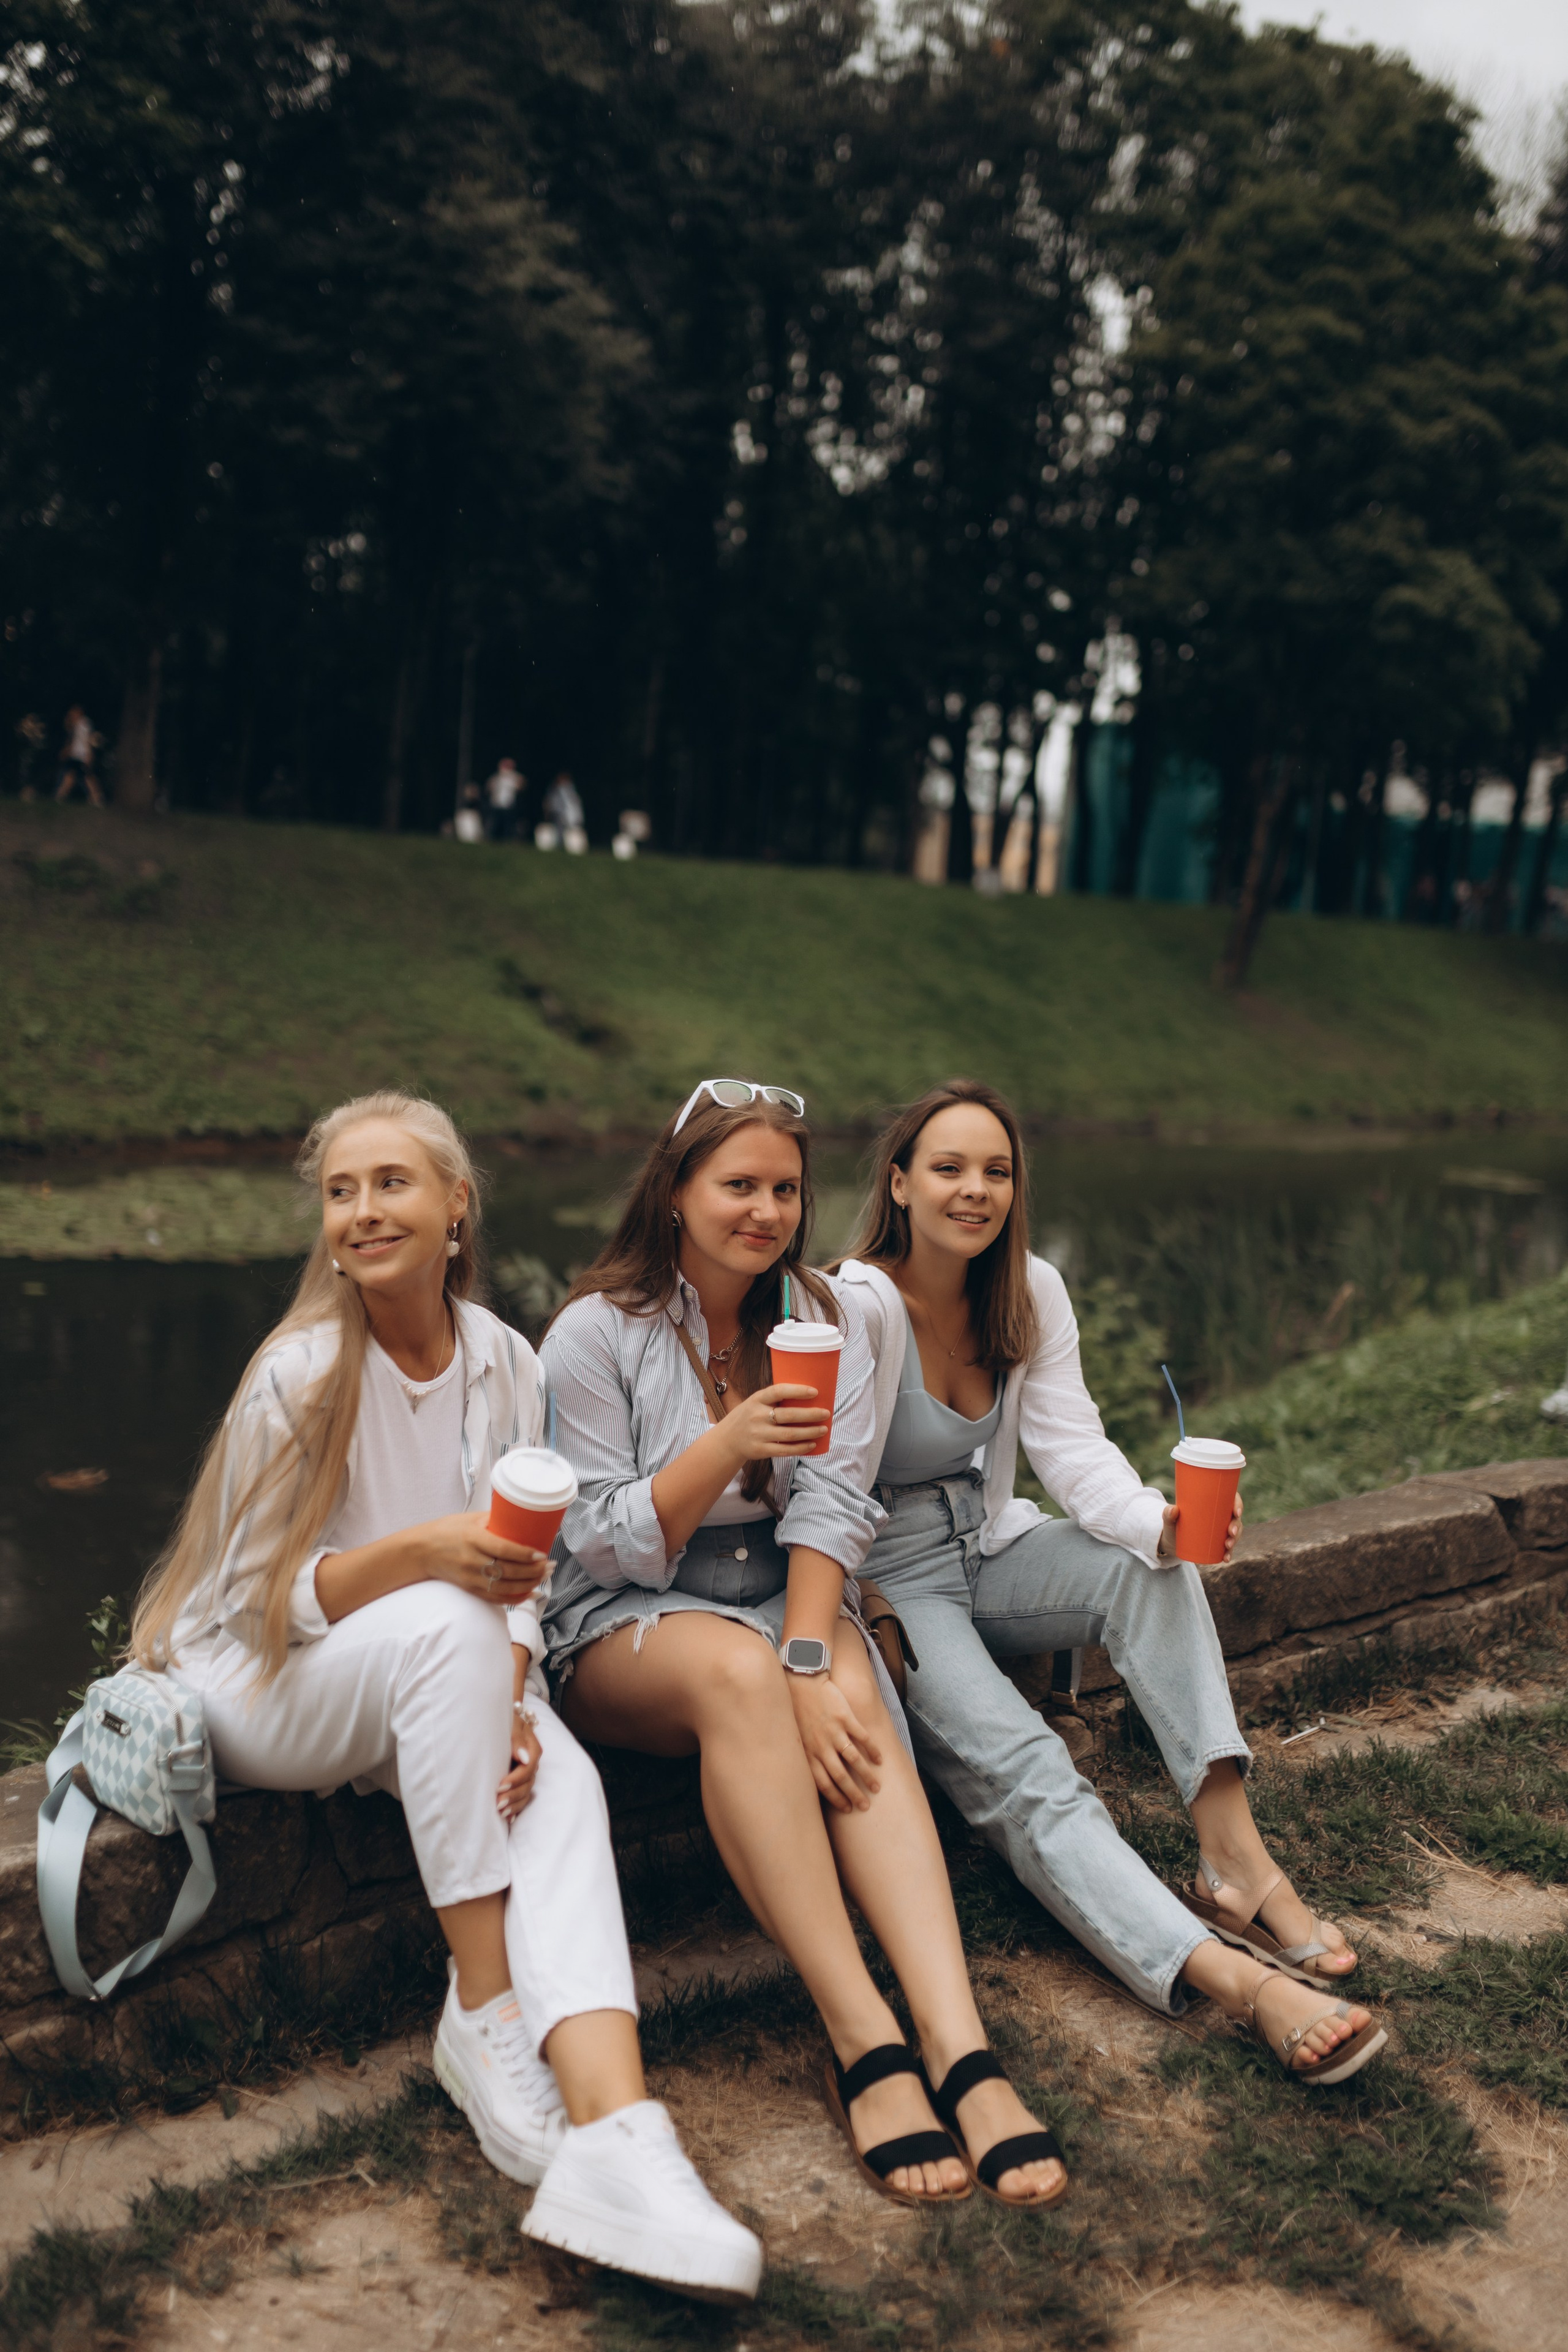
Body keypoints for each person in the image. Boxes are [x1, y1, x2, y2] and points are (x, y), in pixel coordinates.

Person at [130, 1090, 761, 2302]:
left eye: (392, 1184)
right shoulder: (301, 1373)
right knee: (437, 1617)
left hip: (427, 1678)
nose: (365, 1212)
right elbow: (254, 1603)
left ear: (455, 1202)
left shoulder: (503, 1361)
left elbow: (516, 1581)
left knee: (559, 1774)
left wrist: (516, 1702)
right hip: (266, 1685)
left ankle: (619, 2131)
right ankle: (481, 2013)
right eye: (342, 1192)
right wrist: (423, 1556)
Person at [540, 1080, 1067, 2211]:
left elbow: (834, 1506)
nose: (767, 1211)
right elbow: (601, 1541)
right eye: (737, 1185)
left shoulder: (822, 1318)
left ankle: (961, 2051)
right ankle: (863, 2039)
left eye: (784, 1188)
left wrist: (816, 1657)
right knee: (739, 1674)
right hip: (621, 1619)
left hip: (782, 1596)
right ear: (676, 1193)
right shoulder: (596, 1332)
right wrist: (726, 1443)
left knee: (852, 1698)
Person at [826, 1080, 1387, 2087]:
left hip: (987, 1541)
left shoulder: (1029, 1288)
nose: (975, 1190)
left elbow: (1070, 1448)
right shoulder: (859, 1304)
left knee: (1150, 1576)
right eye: (948, 1168)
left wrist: (1156, 1525)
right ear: (899, 1183)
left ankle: (1235, 1861)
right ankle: (1236, 1982)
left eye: (996, 1170)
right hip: (891, 1582)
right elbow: (823, 1486)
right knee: (1027, 1767)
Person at [55, 705, 104, 805]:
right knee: (71, 777)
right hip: (75, 756)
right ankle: (60, 797)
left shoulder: (84, 724)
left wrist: (89, 755)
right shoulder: (76, 724)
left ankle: (97, 799)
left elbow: (87, 740)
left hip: (82, 756)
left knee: (87, 778)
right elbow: (74, 741)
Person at [486, 758, 523, 843]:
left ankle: (507, 839)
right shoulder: (497, 777)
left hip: (508, 804)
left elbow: (521, 785)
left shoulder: (514, 777)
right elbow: (489, 787)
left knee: (508, 824)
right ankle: (493, 839)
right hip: (497, 804)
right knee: (495, 822)